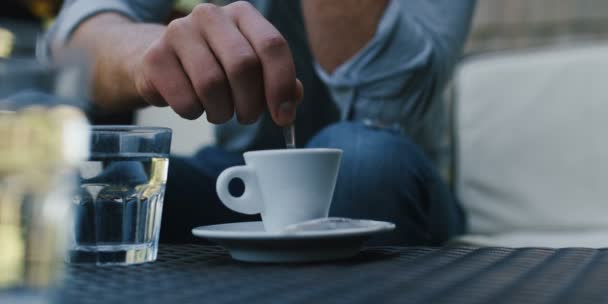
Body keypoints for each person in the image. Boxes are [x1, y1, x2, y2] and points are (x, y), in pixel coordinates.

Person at [46, 0, 476, 245]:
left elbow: (388, 102)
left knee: (363, 159)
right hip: (241, 176)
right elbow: (74, 39)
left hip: (388, 176)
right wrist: (150, 55)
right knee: (92, 174)